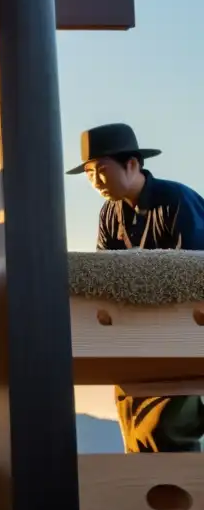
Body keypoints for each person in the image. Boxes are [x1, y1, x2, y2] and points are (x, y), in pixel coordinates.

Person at [69, 122, 204, 453]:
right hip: (131, 335)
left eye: (102, 170)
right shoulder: (109, 213)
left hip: (180, 332)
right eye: (89, 174)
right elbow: (105, 271)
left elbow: (195, 270)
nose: (96, 182)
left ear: (132, 164)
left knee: (169, 424)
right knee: (132, 416)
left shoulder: (176, 199)